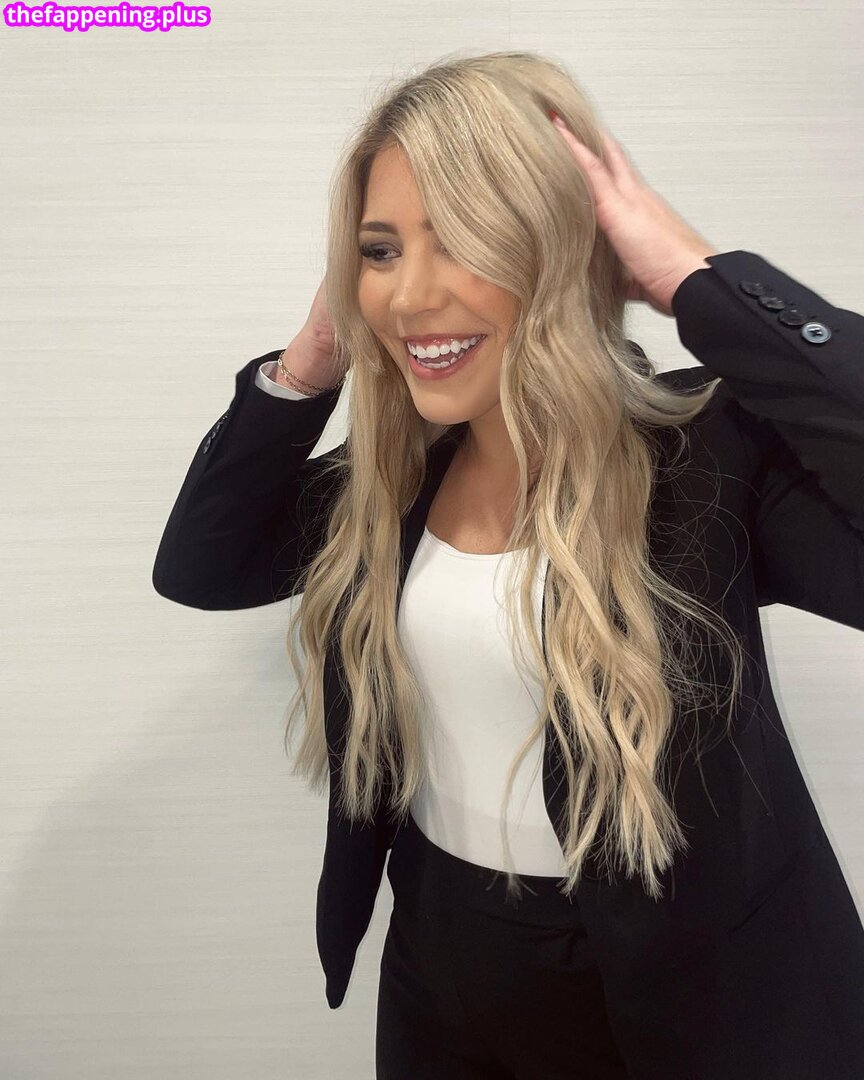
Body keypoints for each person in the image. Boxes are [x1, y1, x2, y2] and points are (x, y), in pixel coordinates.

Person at [152, 51, 864, 1080]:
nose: (410, 295)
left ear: (557, 245)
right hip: (448, 960)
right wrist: (314, 354)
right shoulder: (397, 477)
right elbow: (201, 566)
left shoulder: (710, 453)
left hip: (693, 985)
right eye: (381, 250)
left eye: (463, 239)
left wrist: (695, 279)